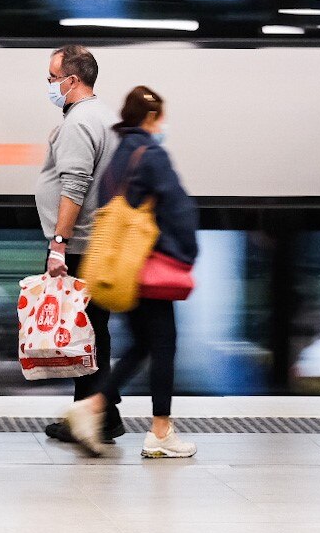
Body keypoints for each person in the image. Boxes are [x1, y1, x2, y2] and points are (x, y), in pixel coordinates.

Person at [71, 87, 199, 459]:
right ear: (150, 119)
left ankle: (93, 407)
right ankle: (159, 431)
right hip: (151, 265)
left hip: (122, 268)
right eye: (160, 118)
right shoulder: (152, 154)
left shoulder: (118, 156)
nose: (162, 125)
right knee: (163, 346)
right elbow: (179, 209)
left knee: (145, 343)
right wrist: (185, 255)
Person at [37, 44, 123, 445]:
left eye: (53, 79)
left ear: (72, 80)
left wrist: (59, 243)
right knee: (91, 334)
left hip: (78, 246)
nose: (50, 85)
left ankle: (99, 418)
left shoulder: (79, 123)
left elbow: (74, 187)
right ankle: (94, 415)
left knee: (82, 334)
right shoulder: (106, 116)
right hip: (98, 242)